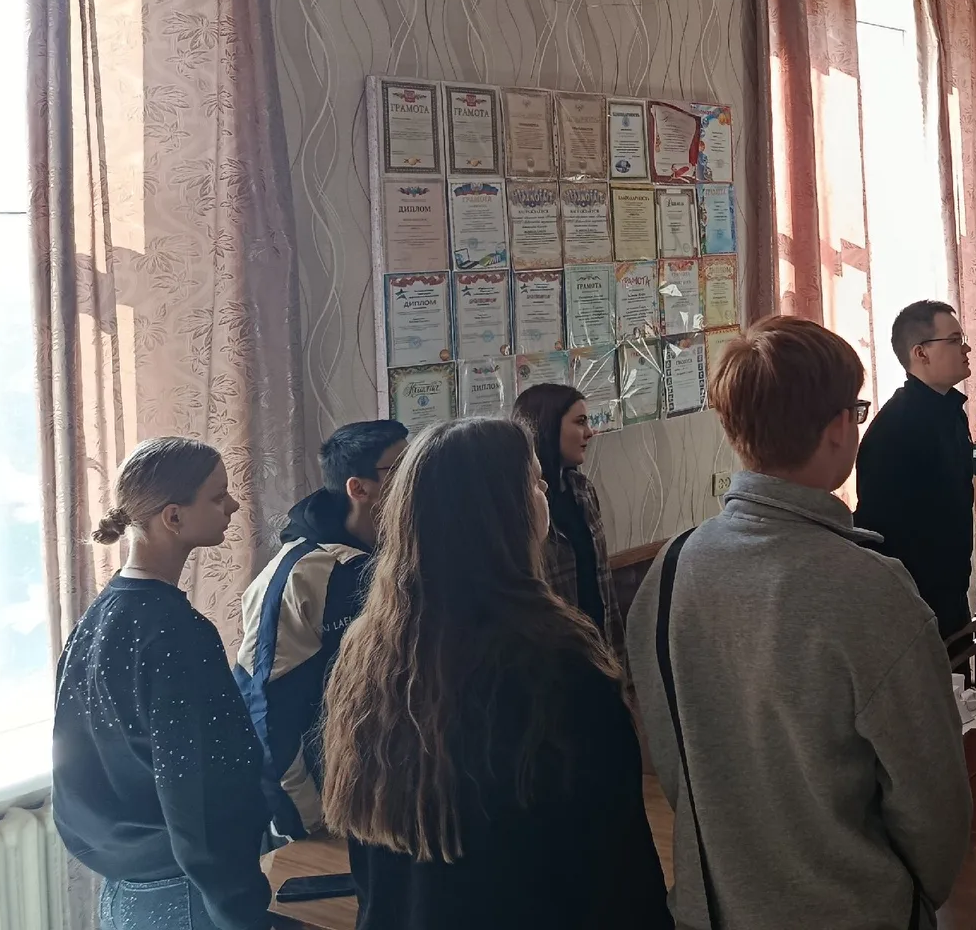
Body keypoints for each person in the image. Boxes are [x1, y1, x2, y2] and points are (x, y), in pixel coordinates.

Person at [626, 315, 969, 930]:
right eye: (855, 412)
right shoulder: (870, 587)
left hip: (714, 906)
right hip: (856, 910)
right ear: (838, 428)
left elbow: (674, 763)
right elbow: (933, 804)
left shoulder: (669, 571)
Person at [321, 418, 671, 930]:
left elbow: (369, 861)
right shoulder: (556, 663)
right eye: (534, 482)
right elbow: (615, 862)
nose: (545, 493)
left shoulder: (369, 652)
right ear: (503, 512)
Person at [53, 437, 273, 930]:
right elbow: (199, 789)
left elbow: (72, 764)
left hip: (122, 892)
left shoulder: (95, 619)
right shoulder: (177, 633)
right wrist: (240, 907)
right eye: (218, 496)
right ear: (173, 517)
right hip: (187, 894)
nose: (233, 506)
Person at [237, 418, 407, 839]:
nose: (414, 478)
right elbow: (267, 708)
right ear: (359, 488)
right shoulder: (301, 575)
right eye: (400, 468)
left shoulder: (405, 552)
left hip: (399, 790)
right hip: (333, 806)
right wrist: (308, 820)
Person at [853, 299, 976, 637]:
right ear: (921, 353)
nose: (966, 348)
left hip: (951, 588)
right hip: (912, 602)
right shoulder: (895, 428)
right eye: (954, 340)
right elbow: (883, 532)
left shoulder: (951, 411)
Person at [513, 383, 622, 662]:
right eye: (580, 421)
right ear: (548, 426)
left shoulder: (583, 490)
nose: (590, 432)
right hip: (556, 657)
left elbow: (603, 583)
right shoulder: (522, 506)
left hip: (601, 647)